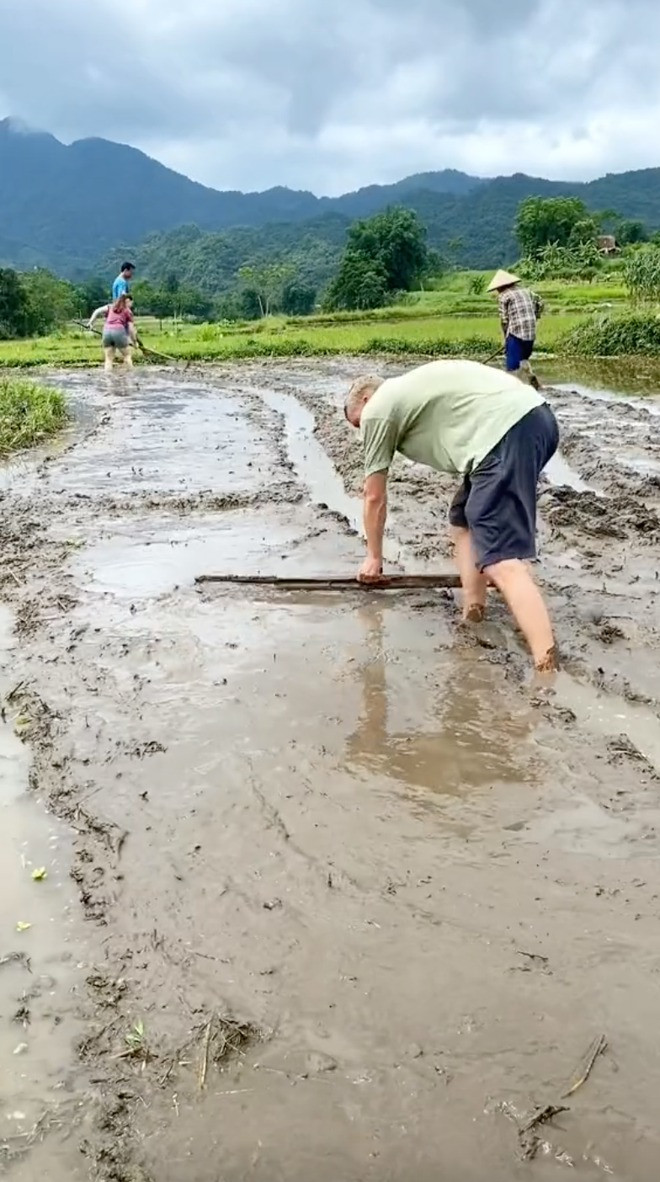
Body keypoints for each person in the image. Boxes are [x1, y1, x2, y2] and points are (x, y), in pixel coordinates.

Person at [344, 359, 560, 673]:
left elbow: (374, 495)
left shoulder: (378, 408)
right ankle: (474, 609)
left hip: (506, 431)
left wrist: (373, 558)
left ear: (365, 399)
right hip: (533, 420)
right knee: (463, 520)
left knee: (499, 556)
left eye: (357, 423)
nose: (362, 433)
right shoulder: (406, 390)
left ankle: (546, 663)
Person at [487, 269, 543, 385]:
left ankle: (512, 388)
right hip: (530, 332)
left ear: (502, 286)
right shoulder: (527, 291)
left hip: (516, 332)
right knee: (523, 358)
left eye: (497, 288)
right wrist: (535, 316)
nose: (497, 291)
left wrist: (506, 339)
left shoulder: (504, 296)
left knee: (512, 366)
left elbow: (504, 320)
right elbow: (540, 303)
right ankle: (531, 378)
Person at [88, 293, 137, 371]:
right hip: (119, 331)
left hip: (106, 331)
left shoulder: (110, 307)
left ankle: (108, 380)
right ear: (128, 301)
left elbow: (97, 311)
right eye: (131, 303)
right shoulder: (127, 311)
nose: (131, 305)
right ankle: (131, 378)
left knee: (108, 359)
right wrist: (135, 342)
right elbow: (131, 329)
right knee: (127, 356)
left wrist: (90, 323)